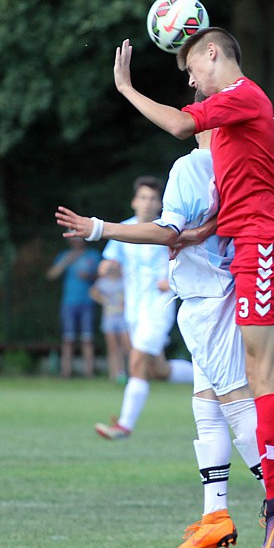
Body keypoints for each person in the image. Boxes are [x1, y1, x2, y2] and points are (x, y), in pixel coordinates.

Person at [110, 29, 274, 548]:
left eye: (191, 69)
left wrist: (127, 89)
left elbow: (181, 124)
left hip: (261, 246)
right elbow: (238, 187)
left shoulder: (243, 95)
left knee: (261, 376)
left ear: (212, 53)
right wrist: (201, 232)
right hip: (258, 243)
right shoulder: (235, 113)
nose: (191, 82)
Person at [56, 122, 264, 548]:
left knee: (221, 396)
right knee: (198, 398)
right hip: (187, 300)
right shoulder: (237, 164)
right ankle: (216, 515)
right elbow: (193, 229)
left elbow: (169, 232)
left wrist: (97, 227)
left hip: (194, 298)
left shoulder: (195, 166)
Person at [85, 176, 194, 440]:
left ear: (160, 204)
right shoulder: (124, 230)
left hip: (158, 308)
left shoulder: (168, 230)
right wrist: (106, 267)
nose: (147, 203)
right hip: (133, 311)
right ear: (134, 201)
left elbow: (188, 261)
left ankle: (124, 426)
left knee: (136, 361)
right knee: (157, 370)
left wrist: (172, 281)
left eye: (153, 198)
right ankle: (208, 376)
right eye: (143, 197)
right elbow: (110, 261)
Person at [46, 236, 101, 378]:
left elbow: (103, 276)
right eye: (74, 239)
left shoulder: (93, 255)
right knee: (68, 339)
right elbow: (51, 275)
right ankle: (66, 373)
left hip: (88, 302)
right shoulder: (64, 256)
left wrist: (89, 276)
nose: (76, 241)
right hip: (69, 303)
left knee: (87, 339)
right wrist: (65, 261)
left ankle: (89, 373)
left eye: (79, 239)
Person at [89, 260, 130, 383]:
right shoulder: (103, 281)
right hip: (109, 318)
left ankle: (130, 372)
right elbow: (93, 292)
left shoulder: (126, 280)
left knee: (127, 346)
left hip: (124, 317)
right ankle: (114, 374)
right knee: (113, 348)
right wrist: (104, 301)